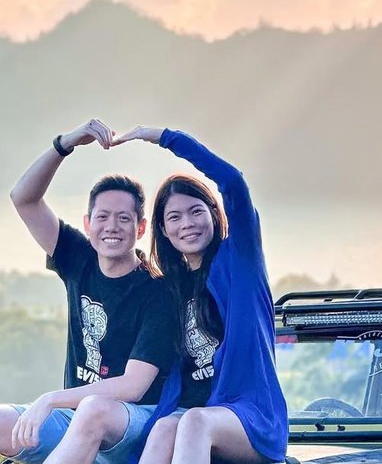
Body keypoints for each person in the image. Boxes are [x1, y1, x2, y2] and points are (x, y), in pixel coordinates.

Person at [0, 119, 177, 464]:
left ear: (141, 227)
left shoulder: (158, 291)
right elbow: (24, 199)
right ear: (88, 223)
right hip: (74, 422)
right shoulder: (79, 258)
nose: (112, 227)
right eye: (102, 217)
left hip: (131, 427)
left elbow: (132, 387)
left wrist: (50, 399)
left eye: (124, 218)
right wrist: (65, 144)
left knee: (94, 409)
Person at [111, 126, 288, 463]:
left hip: (250, 416)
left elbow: (233, 182)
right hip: (198, 414)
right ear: (164, 230)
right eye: (174, 217)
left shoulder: (240, 261)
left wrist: (164, 137)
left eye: (196, 211)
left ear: (213, 214)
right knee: (165, 426)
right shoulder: (170, 289)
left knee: (193, 421)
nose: (187, 223)